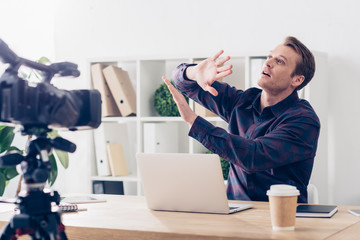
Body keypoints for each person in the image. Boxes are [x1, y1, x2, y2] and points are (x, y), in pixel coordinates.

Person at [162, 36, 320, 203]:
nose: (268, 63)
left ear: (297, 79)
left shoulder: (304, 120)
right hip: (235, 213)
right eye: (269, 57)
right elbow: (183, 82)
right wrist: (194, 73)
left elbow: (254, 156)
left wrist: (195, 122)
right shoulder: (243, 101)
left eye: (279, 61)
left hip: (280, 218)